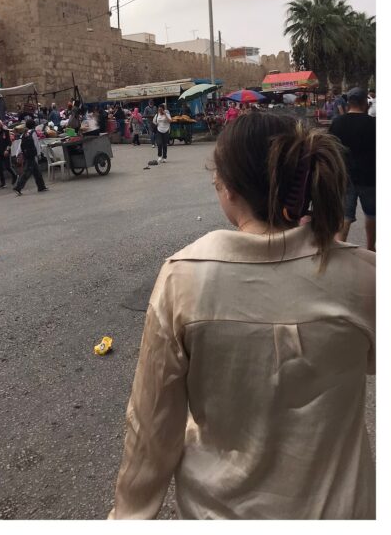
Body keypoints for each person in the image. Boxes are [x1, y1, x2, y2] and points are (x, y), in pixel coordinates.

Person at [110, 112, 374, 519]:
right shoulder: (364, 276)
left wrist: (128, 517)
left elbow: (152, 428)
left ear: (228, 189)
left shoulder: (185, 278)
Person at [330, 87, 376, 252]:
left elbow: (330, 150)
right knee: (372, 214)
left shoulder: (337, 123)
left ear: (348, 103)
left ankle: (340, 249)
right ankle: (371, 248)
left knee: (345, 216)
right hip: (370, 177)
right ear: (365, 103)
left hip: (344, 176)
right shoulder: (374, 123)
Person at [13, 118, 46, 195]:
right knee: (27, 172)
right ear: (33, 125)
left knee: (37, 171)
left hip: (27, 154)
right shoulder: (33, 133)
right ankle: (18, 187)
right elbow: (36, 144)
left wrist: (17, 153)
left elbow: (21, 145)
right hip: (32, 155)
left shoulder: (24, 133)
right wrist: (39, 153)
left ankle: (41, 186)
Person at [0, 119, 18, 190]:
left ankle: (15, 175)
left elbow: (9, 142)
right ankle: (2, 182)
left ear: (1, 125)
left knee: (8, 167)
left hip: (6, 152)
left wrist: (7, 150)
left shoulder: (6, 132)